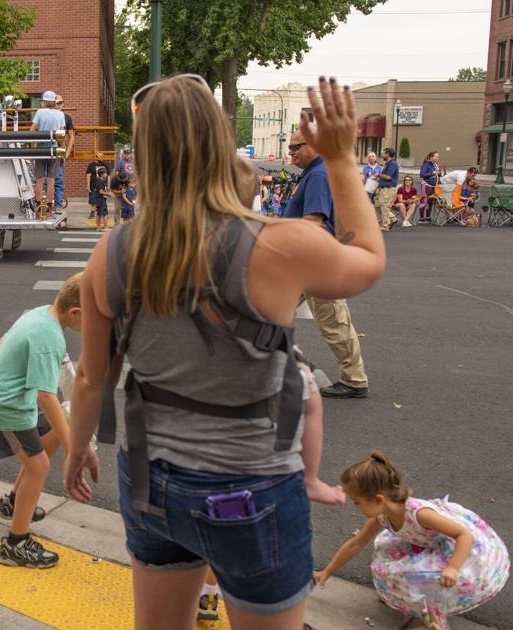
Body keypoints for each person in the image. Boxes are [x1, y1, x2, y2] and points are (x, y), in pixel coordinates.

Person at [63, 76, 384, 629]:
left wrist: (77, 449)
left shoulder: (111, 252)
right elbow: (369, 259)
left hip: (150, 479)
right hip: (252, 486)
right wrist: (340, 159)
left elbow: (94, 378)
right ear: (221, 143)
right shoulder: (279, 244)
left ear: (145, 156)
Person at [0, 272, 87, 569]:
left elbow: (2, 341)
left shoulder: (41, 313)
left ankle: (15, 502)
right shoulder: (51, 337)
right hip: (5, 407)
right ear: (76, 312)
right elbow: (47, 396)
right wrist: (72, 447)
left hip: (12, 401)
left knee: (50, 435)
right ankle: (16, 545)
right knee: (40, 466)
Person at [314, 451, 509, 625]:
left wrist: (453, 567)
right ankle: (399, 596)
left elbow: (464, 535)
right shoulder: (381, 517)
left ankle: (435, 618)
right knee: (390, 568)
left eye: (357, 502)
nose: (354, 506)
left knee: (425, 579)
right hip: (423, 542)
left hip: (456, 548)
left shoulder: (420, 514)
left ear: (379, 499)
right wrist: (327, 572)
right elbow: (355, 545)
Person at [287, 127, 371, 399]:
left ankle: (354, 380)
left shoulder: (318, 175)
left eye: (296, 147)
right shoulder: (316, 172)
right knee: (268, 310)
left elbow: (313, 222)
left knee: (334, 322)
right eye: (290, 147)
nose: (290, 152)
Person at [30, 91, 66, 210]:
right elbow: (62, 135)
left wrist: (30, 148)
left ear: (44, 102)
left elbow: (32, 130)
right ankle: (50, 205)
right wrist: (63, 151)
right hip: (54, 149)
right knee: (51, 180)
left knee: (39, 179)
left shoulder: (40, 112)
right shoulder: (60, 114)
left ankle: (39, 205)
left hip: (41, 149)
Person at [55, 95, 76, 212]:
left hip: (59, 151)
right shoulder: (50, 115)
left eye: (61, 103)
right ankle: (47, 206)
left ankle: (58, 206)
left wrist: (67, 153)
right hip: (49, 149)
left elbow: (71, 136)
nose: (59, 105)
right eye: (57, 103)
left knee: (58, 180)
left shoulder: (67, 117)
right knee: (46, 180)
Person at [373, 147, 399, 230]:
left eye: (384, 153)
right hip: (382, 188)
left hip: (388, 188)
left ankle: (385, 225)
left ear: (388, 154)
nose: (382, 155)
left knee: (384, 206)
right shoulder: (387, 164)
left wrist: (378, 175)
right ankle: (392, 218)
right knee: (377, 205)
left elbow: (388, 177)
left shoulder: (393, 164)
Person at [88, 164, 111, 231]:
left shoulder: (100, 181)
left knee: (98, 214)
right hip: (101, 200)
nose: (106, 174)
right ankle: (105, 227)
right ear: (101, 174)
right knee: (105, 214)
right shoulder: (100, 182)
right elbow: (101, 192)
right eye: (105, 173)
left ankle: (98, 227)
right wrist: (109, 194)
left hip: (98, 200)